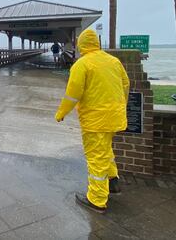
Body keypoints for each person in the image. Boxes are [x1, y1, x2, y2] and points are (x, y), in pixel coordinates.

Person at [54, 29, 129, 214]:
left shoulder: (82, 64)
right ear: (97, 42)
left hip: (95, 120)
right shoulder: (114, 61)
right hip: (115, 117)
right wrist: (120, 106)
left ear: (81, 45)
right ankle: (113, 182)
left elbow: (73, 94)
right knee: (106, 150)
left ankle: (96, 200)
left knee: (96, 158)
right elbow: (125, 84)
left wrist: (61, 112)